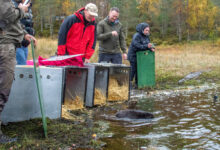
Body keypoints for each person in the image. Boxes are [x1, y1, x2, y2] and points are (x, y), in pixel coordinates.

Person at [0, 0, 37, 143]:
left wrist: (23, 34)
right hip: (4, 47)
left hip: (8, 44)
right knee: (2, 91)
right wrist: (21, 10)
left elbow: (8, 23)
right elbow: (5, 15)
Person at [127, 23, 155, 88]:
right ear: (142, 30)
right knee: (133, 69)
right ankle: (129, 83)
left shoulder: (147, 36)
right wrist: (146, 46)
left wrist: (151, 48)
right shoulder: (136, 36)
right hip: (133, 55)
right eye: (146, 30)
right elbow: (137, 45)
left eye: (148, 30)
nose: (147, 32)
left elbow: (147, 45)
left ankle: (138, 84)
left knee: (139, 70)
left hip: (141, 57)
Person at [13, 0, 34, 65]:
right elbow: (13, 23)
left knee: (23, 67)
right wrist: (21, 10)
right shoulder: (13, 5)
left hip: (25, 43)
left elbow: (28, 24)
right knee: (20, 68)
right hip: (16, 43)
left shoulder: (27, 7)